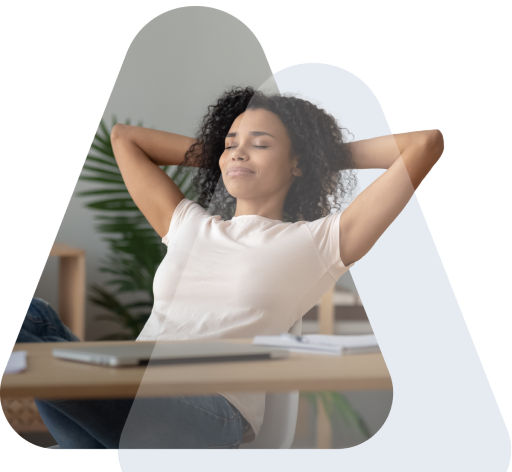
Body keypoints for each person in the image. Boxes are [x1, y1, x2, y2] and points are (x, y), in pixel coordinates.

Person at [16, 86, 444, 448]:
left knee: (36, 355)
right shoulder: (188, 224)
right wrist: (233, 155)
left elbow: (423, 145)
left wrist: (317, 152)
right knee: (30, 317)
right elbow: (125, 139)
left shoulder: (316, 243)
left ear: (297, 163)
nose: (238, 152)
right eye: (230, 143)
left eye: (260, 143)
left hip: (209, 408)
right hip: (124, 387)